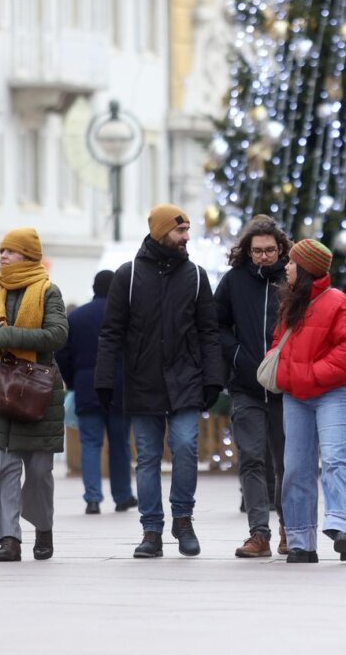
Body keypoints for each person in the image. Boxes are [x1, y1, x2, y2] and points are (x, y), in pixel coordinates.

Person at [95, 204, 225, 558]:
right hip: (143, 381)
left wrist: (213, 379)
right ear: (160, 232)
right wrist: (105, 380)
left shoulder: (196, 276)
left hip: (185, 380)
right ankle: (151, 529)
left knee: (185, 448)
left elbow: (208, 333)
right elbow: (111, 333)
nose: (186, 238)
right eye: (179, 231)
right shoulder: (129, 276)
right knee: (149, 457)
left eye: (187, 232)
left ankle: (183, 519)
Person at [0, 229, 68, 562]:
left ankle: (43, 527)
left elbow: (57, 334)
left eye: (12, 251)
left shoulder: (48, 291)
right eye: (2, 251)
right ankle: (9, 537)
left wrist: (5, 336)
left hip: (38, 391)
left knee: (38, 471)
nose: (4, 256)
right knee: (3, 467)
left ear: (29, 256)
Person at [273, 239, 346, 564]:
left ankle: (342, 527)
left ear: (307, 269)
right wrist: (287, 371)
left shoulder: (337, 301)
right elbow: (278, 345)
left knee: (332, 460)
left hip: (331, 395)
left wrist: (314, 373)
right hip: (295, 397)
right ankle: (301, 540)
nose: (286, 267)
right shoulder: (290, 304)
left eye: (291, 262)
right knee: (296, 469)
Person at [215, 215, 292, 558]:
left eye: (270, 250)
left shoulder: (293, 280)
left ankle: (290, 530)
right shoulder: (233, 281)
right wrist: (235, 355)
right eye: (257, 251)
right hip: (246, 385)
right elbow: (215, 325)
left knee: (287, 461)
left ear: (280, 250)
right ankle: (258, 533)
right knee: (251, 459)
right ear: (247, 251)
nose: (264, 256)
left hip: (286, 387)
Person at [55, 270, 137, 515]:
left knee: (90, 443)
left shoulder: (77, 317)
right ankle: (122, 496)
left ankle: (92, 498)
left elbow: (62, 355)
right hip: (120, 387)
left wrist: (72, 380)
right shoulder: (127, 316)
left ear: (93, 287)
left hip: (86, 387)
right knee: (120, 444)